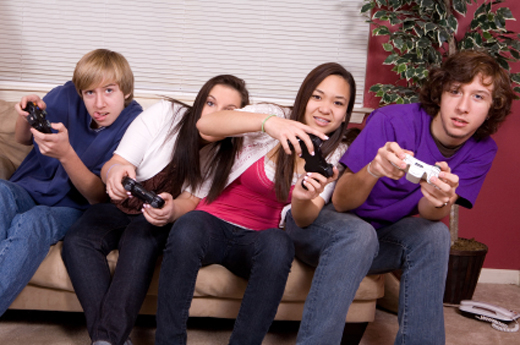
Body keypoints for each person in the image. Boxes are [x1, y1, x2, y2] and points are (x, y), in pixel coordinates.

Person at [284, 49, 516, 344]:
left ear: (491, 107)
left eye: (478, 96)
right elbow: (341, 202)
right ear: (440, 93)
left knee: (435, 235)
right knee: (358, 232)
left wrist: (439, 200)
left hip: (380, 239)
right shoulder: (391, 120)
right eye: (455, 91)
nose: (463, 107)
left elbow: (430, 215)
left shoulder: (483, 149)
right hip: (324, 228)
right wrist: (374, 169)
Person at [155, 62, 357, 345]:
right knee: (188, 227)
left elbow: (305, 218)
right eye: (317, 96)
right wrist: (269, 124)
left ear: (346, 114)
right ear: (304, 97)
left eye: (338, 103)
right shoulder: (273, 116)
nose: (325, 108)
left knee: (280, 244)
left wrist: (300, 198)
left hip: (259, 239)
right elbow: (205, 125)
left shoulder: (336, 154)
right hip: (212, 223)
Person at [61, 75, 249, 345]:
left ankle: (106, 340)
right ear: (199, 103)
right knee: (78, 240)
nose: (215, 114)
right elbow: (115, 163)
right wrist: (115, 174)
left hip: (155, 219)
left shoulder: (225, 155)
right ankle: (110, 338)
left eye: (229, 111)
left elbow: (191, 201)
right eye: (210, 103)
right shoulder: (166, 114)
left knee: (139, 240)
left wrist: (171, 212)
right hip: (119, 205)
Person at [0, 49, 142, 316]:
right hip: (29, 188)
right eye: (89, 93)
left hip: (75, 206)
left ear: (125, 91)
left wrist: (66, 155)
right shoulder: (64, 94)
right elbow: (22, 139)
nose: (99, 103)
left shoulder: (135, 122)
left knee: (35, 221)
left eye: (109, 91)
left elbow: (98, 197)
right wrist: (24, 114)